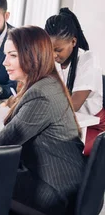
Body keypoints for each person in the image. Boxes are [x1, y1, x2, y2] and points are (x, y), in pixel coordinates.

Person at [0, 26, 86, 215]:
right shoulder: (46, 84)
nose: (4, 62)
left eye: (12, 56)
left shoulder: (42, 95)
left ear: (32, 56)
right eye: (5, 55)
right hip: (63, 188)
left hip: (56, 198)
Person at [45, 8, 105, 155]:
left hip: (92, 128)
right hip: (65, 125)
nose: (53, 55)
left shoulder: (88, 59)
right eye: (49, 49)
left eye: (58, 50)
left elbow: (74, 105)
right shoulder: (50, 59)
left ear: (73, 41)